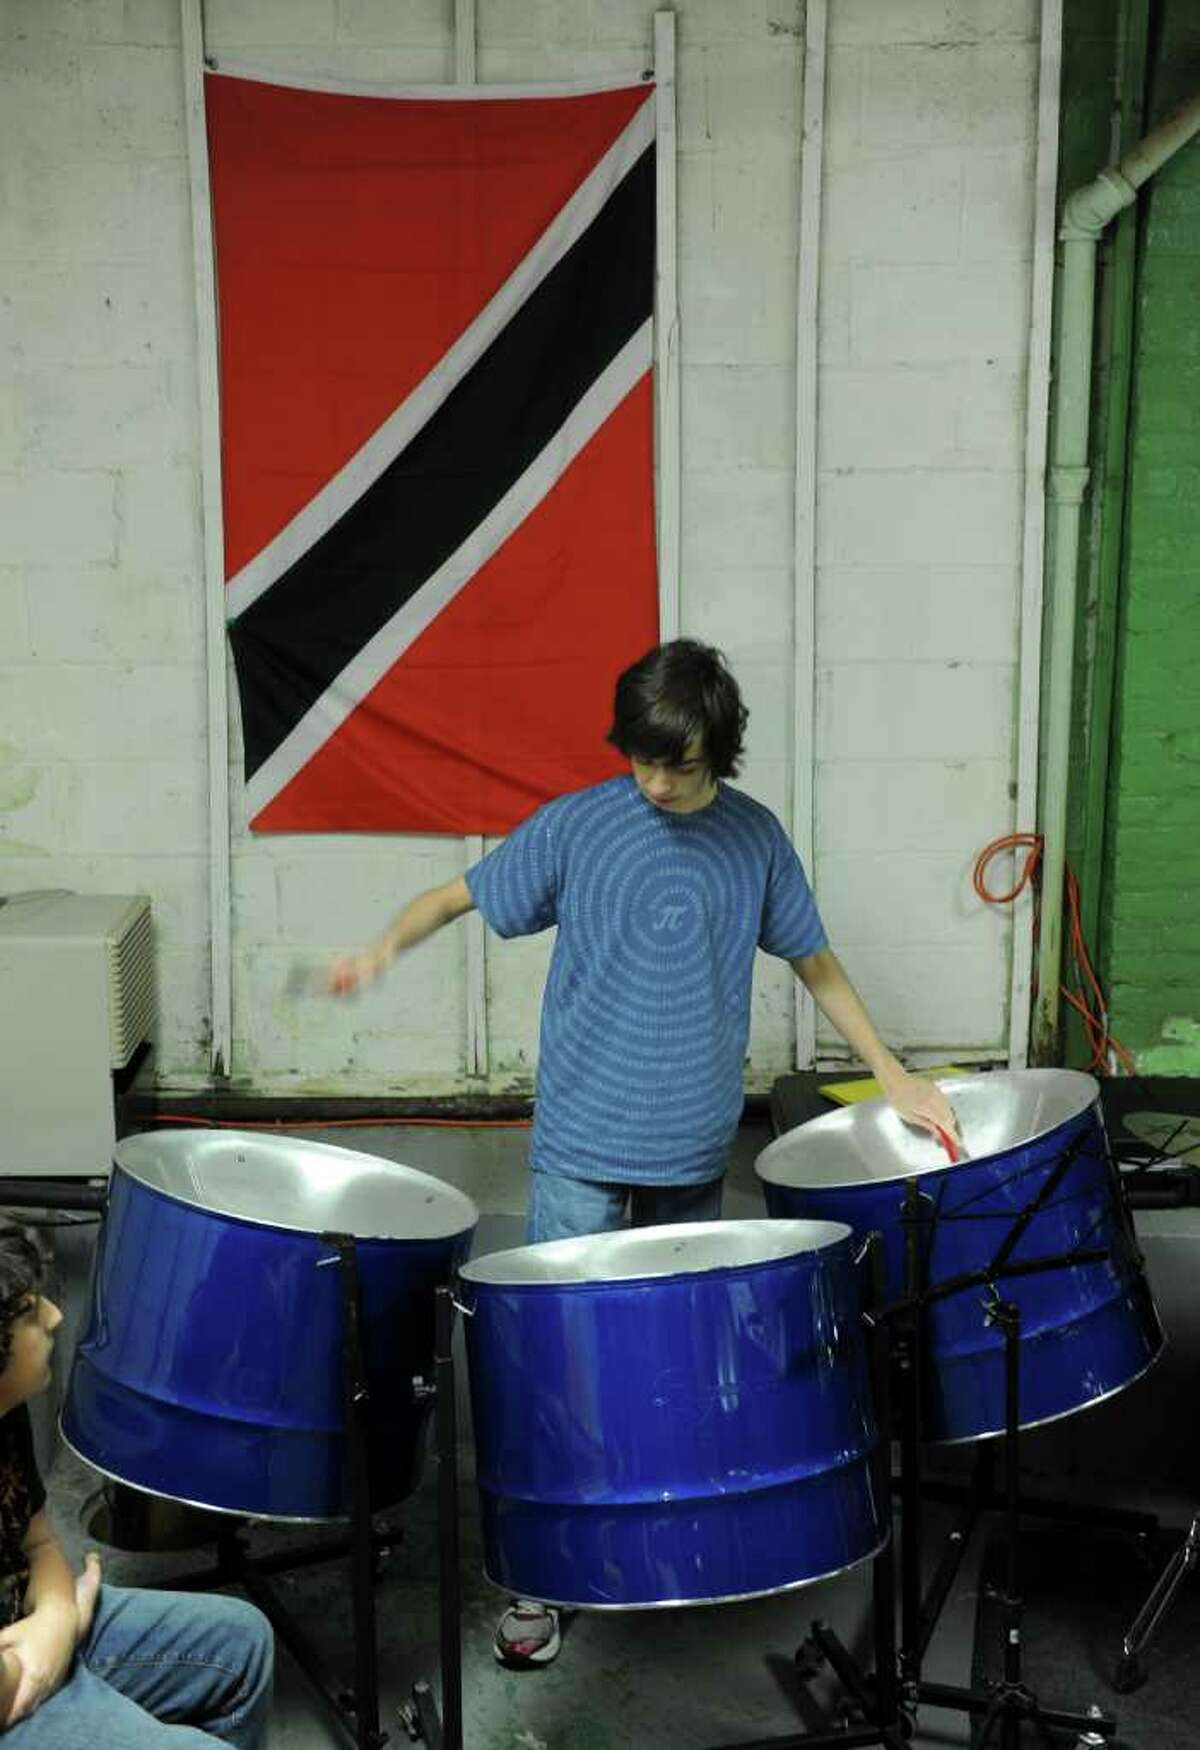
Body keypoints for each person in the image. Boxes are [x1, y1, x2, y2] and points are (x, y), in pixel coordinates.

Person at [327, 638, 959, 1668]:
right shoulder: (581, 824)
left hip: (691, 1142)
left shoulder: (754, 839)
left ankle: (661, 1544)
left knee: (672, 1366)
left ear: (724, 750)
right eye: (643, 759)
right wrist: (380, 949)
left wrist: (894, 1072)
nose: (659, 782)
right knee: (561, 1368)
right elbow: (457, 896)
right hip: (582, 1136)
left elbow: (813, 956)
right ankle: (540, 1579)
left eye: (683, 763)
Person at [0, 1225, 274, 1746]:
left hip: (31, 1640)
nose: (57, 1317)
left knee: (243, 1643)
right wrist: (42, 1657)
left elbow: (37, 1540)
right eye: (32, 1313)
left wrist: (57, 1617)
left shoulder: (6, 1412)